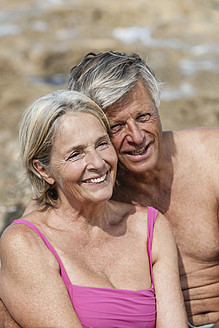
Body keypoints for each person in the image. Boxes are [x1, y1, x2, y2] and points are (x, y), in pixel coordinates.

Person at [0, 90, 187, 327]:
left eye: (102, 144)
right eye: (76, 154)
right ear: (43, 170)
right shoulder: (25, 243)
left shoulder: (150, 226)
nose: (98, 163)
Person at [67, 51, 219, 328]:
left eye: (143, 116)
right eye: (116, 127)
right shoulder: (89, 190)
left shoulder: (211, 156)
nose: (137, 137)